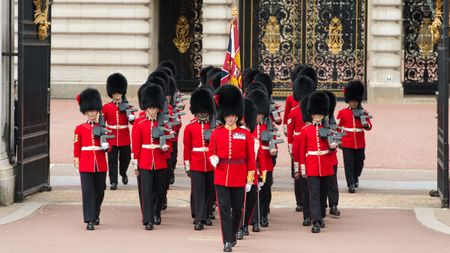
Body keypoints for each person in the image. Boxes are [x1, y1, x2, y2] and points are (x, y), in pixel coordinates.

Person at [208, 85, 256, 252]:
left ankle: (234, 232)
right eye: (227, 115)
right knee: (223, 210)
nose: (230, 118)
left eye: (232, 115)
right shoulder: (216, 133)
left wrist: (249, 179)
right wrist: (212, 158)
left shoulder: (245, 134)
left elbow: (251, 159)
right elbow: (211, 151)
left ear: (237, 116)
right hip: (221, 175)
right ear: (224, 115)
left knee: (237, 208)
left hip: (239, 175)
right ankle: (227, 240)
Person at [131, 84, 170, 230]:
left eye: (155, 108)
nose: (153, 111)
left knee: (160, 190)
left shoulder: (163, 123)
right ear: (146, 108)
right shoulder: (139, 123)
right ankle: (147, 219)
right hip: (145, 161)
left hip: (160, 161)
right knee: (146, 191)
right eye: (150, 108)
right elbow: (135, 145)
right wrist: (135, 165)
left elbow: (169, 142)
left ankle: (156, 212)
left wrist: (166, 149)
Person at [298, 91, 335, 233]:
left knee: (322, 194)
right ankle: (316, 221)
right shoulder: (305, 130)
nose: (318, 117)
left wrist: (332, 148)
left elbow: (333, 150)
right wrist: (302, 168)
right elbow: (302, 151)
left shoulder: (328, 129)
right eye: (315, 114)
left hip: (325, 164)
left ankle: (321, 216)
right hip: (312, 165)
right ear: (311, 114)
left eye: (320, 114)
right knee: (314, 193)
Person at [73, 88, 108, 230]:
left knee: (100, 190)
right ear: (85, 112)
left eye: (94, 110)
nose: (92, 113)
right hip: (86, 164)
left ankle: (96, 212)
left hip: (100, 163)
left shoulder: (103, 127)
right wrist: (77, 163)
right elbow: (77, 147)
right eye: (89, 111)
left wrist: (107, 146)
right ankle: (89, 219)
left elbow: (108, 147)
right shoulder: (80, 128)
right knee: (88, 192)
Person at [184, 87, 215, 230]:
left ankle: (208, 214)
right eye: (200, 111)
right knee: (198, 190)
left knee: (210, 190)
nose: (202, 114)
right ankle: (199, 218)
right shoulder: (190, 127)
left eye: (204, 111)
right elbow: (187, 148)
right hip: (196, 163)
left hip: (210, 163)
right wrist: (187, 165)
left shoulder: (214, 126)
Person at [337, 80, 373, 193]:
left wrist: (365, 124)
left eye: (355, 101)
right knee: (348, 163)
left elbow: (369, 127)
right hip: (347, 141)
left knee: (360, 161)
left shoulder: (363, 112)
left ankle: (355, 176)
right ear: (348, 100)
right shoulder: (342, 112)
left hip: (359, 141)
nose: (353, 103)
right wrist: (338, 140)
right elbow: (338, 126)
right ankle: (350, 183)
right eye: (351, 101)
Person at [288, 75, 316, 214]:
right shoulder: (294, 111)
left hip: (309, 142)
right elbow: (290, 130)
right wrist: (291, 147)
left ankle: (309, 202)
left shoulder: (312, 111)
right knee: (298, 174)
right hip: (297, 143)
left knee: (310, 173)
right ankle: (299, 201)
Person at [102, 73, 134, 190]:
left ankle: (123, 172)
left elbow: (133, 122)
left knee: (126, 158)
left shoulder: (127, 106)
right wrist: (103, 138)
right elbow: (102, 123)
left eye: (119, 92)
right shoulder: (106, 107)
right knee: (112, 161)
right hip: (111, 137)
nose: (117, 95)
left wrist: (131, 117)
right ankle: (113, 181)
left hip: (124, 136)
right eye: (115, 93)